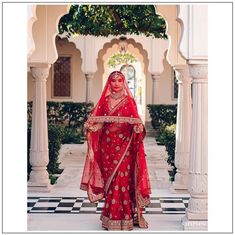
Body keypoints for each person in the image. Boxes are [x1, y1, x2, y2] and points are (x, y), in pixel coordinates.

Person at [80, 71, 151, 231]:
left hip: (125, 148)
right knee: (111, 184)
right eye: (113, 80)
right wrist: (91, 127)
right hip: (107, 149)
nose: (117, 83)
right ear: (109, 83)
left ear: (124, 82)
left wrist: (139, 128)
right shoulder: (104, 102)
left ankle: (125, 217)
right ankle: (110, 217)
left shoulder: (129, 102)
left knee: (122, 181)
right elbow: (100, 124)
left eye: (120, 80)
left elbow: (136, 125)